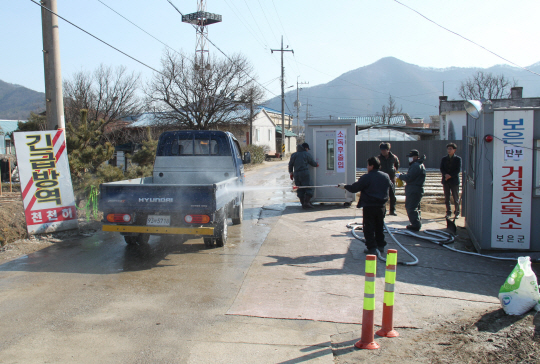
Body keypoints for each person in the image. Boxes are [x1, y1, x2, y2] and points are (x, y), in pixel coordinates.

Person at [338, 157, 393, 256]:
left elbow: (355, 188)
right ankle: (380, 246)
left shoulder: (367, 177)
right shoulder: (386, 176)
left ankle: (372, 248)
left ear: (371, 166)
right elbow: (391, 190)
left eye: (368, 165)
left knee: (369, 228)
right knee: (379, 227)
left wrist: (344, 186)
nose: (367, 167)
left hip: (369, 206)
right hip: (381, 207)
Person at [396, 150, 426, 231]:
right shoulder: (420, 165)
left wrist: (400, 176)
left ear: (416, 157)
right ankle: (417, 222)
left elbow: (409, 178)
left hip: (413, 189)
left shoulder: (415, 166)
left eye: (411, 157)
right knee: (416, 207)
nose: (409, 159)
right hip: (417, 189)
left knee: (411, 207)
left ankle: (415, 224)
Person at [289, 142, 319, 209]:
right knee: (309, 187)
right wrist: (316, 164)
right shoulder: (306, 154)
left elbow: (290, 164)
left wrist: (291, 173)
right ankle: (307, 203)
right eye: (307, 148)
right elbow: (313, 163)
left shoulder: (293, 155)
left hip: (296, 174)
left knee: (300, 188)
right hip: (304, 173)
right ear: (305, 148)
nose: (308, 150)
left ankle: (303, 203)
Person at [440, 143, 462, 219]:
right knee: (447, 198)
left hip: (454, 181)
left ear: (454, 150)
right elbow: (442, 168)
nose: (449, 150)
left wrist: (450, 175)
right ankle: (448, 212)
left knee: (456, 198)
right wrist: (445, 175)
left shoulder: (458, 159)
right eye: (448, 149)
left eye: (450, 149)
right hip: (446, 180)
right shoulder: (444, 159)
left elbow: (458, 170)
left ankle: (457, 212)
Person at [378, 142, 400, 216]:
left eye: (384, 150)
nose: (383, 152)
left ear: (388, 150)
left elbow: (397, 165)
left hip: (391, 179)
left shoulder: (393, 157)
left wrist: (393, 171)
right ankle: (382, 210)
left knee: (392, 196)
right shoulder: (379, 158)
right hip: (382, 180)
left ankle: (392, 210)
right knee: (382, 196)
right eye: (381, 150)